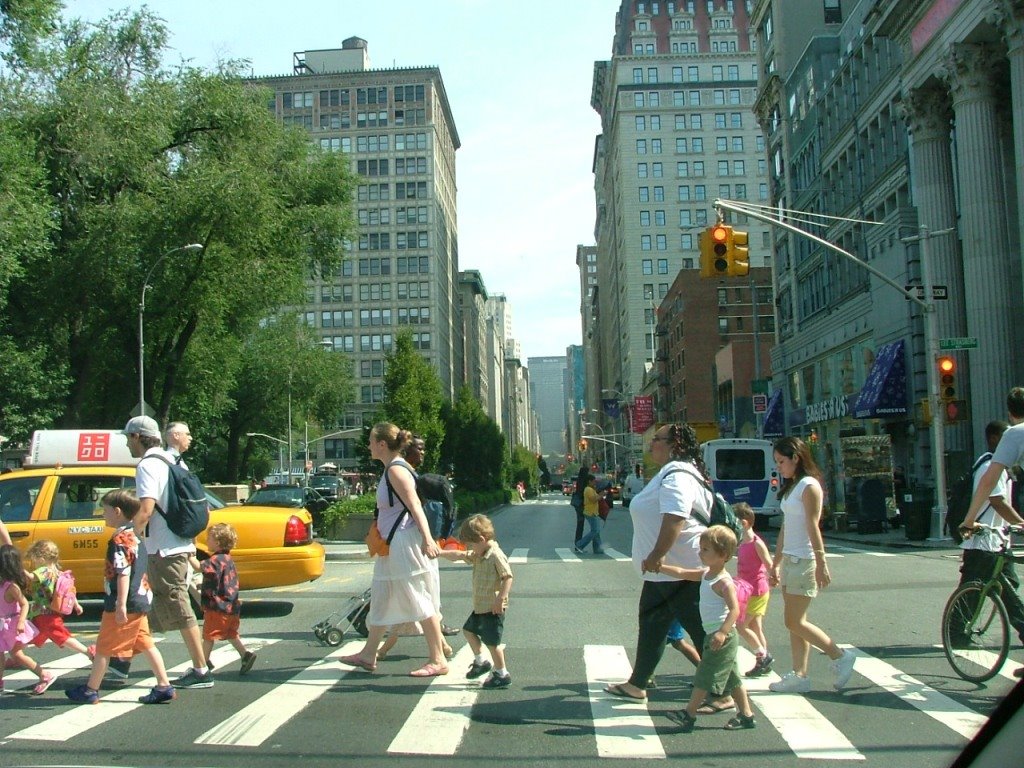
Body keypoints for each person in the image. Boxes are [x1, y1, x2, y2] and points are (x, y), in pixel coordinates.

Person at [604, 423, 718, 703]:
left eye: (657, 439)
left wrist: (656, 555)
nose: (651, 443)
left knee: (701, 631)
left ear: (674, 444)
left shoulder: (678, 475)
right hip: (664, 574)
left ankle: (724, 689)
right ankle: (637, 683)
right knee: (652, 623)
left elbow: (675, 517)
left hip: (678, 570)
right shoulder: (671, 472)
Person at [340, 422, 447, 677]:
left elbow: (415, 506)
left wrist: (427, 539)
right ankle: (368, 654)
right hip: (393, 543)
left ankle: (438, 658)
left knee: (418, 598)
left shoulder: (396, 471)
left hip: (402, 542)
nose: (368, 446)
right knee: (382, 596)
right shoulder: (394, 469)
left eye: (370, 441)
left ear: (381, 444)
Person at [123, 415, 211, 690]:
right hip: (177, 543)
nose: (127, 444)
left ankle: (201, 669)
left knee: (177, 604)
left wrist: (129, 534)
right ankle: (117, 659)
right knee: (149, 602)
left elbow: (146, 509)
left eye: (128, 438)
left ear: (137, 437)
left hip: (165, 547)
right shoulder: (170, 460)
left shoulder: (148, 465)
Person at [65, 489, 175, 704]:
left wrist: (120, 604)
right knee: (145, 642)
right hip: (141, 597)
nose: (102, 514)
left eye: (104, 510)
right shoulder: (134, 535)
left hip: (125, 600)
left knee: (104, 646)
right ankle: (164, 685)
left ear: (117, 511)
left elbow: (123, 571)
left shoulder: (119, 539)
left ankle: (90, 690)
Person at [768, 436, 855, 693]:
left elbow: (812, 525)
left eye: (781, 461)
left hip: (804, 559)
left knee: (794, 621)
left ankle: (839, 656)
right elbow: (786, 526)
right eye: (776, 462)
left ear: (796, 457)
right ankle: (799, 674)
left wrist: (821, 562)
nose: (779, 467)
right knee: (796, 622)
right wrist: (776, 562)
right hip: (791, 560)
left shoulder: (809, 485)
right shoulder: (794, 486)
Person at [662, 525, 757, 733]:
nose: (700, 552)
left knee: (704, 676)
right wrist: (660, 567)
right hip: (714, 635)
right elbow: (683, 573)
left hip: (722, 636)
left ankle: (688, 714)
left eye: (705, 550)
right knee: (733, 678)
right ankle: (746, 715)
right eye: (701, 548)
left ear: (723, 555)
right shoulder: (706, 574)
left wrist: (722, 632)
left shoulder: (724, 582)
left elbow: (734, 610)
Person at [956, 420, 1024, 646]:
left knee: (1009, 586)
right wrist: (1021, 522)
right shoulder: (988, 466)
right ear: (995, 439)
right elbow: (997, 501)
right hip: (982, 539)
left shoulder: (1003, 466)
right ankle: (955, 632)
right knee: (972, 589)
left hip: (998, 540)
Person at [437, 513, 514, 689]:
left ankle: (502, 673)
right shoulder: (480, 554)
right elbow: (460, 555)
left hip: (492, 608)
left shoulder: (495, 555)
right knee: (468, 631)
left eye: (471, 545)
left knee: (493, 643)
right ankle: (481, 662)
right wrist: (440, 553)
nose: (470, 549)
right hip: (480, 606)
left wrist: (500, 599)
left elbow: (508, 577)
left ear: (481, 539)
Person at [188, 523, 257, 675]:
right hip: (231, 605)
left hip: (217, 606)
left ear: (218, 542)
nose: (207, 541)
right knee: (231, 632)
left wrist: (190, 555)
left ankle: (203, 663)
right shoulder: (227, 558)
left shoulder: (216, 559)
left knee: (208, 635)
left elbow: (199, 568)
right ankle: (245, 654)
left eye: (209, 539)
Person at [23, 540, 94, 661]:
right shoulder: (59, 573)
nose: (33, 563)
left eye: (33, 559)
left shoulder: (44, 571)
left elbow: (30, 577)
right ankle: (17, 657)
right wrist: (76, 605)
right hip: (47, 613)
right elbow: (68, 591)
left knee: (61, 636)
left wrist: (16, 567)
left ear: (41, 558)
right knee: (28, 635)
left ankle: (89, 652)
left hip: (45, 614)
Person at [0, 544, 52, 695]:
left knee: (16, 655)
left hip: (13, 625)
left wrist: (21, 622)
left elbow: (24, 604)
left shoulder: (11, 587)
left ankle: (44, 675)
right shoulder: (3, 584)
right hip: (3, 624)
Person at [732, 503, 774, 677]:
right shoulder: (742, 543)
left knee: (741, 626)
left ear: (744, 523)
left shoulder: (757, 543)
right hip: (748, 591)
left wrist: (774, 577)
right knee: (755, 627)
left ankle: (762, 656)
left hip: (757, 591)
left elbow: (769, 564)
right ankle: (764, 659)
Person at [575, 474, 605, 554]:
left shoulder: (591, 489)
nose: (595, 482)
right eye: (593, 481)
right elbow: (593, 500)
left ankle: (598, 549)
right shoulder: (588, 489)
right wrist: (601, 495)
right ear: (589, 481)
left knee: (596, 531)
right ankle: (580, 544)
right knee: (595, 531)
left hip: (593, 512)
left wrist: (600, 495)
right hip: (590, 512)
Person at [570, 465, 589, 546]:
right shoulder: (584, 482)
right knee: (594, 526)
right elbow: (583, 493)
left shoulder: (579, 480)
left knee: (580, 524)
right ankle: (579, 543)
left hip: (578, 504)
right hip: (583, 505)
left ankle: (578, 542)